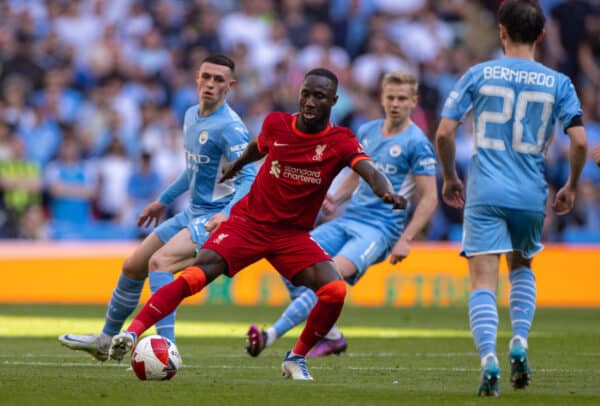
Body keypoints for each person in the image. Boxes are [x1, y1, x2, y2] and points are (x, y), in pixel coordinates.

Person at [107, 68, 407, 381]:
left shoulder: (341, 141)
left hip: (291, 236)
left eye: (319, 96)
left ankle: (296, 357)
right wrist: (237, 166)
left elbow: (370, 171)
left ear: (333, 100)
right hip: (248, 224)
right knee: (195, 275)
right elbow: (257, 147)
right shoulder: (277, 123)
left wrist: (387, 192)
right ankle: (132, 332)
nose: (310, 101)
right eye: (306, 93)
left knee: (333, 290)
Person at [435, 0, 587, 397]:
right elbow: (581, 141)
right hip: (530, 192)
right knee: (522, 266)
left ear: (501, 31)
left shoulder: (478, 74)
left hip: (485, 190)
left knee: (483, 280)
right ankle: (519, 340)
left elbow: (444, 133)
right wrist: (570, 184)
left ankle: (489, 361)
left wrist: (451, 178)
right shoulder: (559, 82)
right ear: (540, 35)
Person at [58, 54, 256, 359]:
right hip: (193, 211)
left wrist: (226, 215)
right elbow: (194, 170)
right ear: (196, 78)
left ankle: (167, 350)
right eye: (206, 77)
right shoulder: (192, 115)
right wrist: (161, 202)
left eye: (219, 80)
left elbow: (250, 177)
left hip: (218, 216)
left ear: (230, 86)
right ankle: (104, 342)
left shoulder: (230, 128)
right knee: (133, 266)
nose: (211, 84)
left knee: (160, 264)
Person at [244, 71, 438, 359]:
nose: (395, 104)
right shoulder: (368, 131)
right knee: (290, 261)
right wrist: (335, 197)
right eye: (390, 97)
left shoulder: (417, 143)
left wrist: (406, 238)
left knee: (328, 275)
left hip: (380, 229)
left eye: (401, 99)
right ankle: (331, 335)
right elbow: (356, 175)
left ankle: (270, 335)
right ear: (382, 99)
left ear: (413, 101)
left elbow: (429, 196)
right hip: (349, 218)